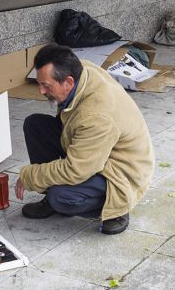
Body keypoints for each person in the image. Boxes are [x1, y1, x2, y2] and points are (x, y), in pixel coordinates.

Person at [14, 43, 154, 234]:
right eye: (39, 84)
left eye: (46, 86)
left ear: (68, 82)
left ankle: (116, 209)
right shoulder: (82, 69)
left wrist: (30, 175)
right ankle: (51, 194)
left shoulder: (97, 116)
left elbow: (75, 170)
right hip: (95, 148)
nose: (41, 91)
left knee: (60, 197)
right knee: (35, 125)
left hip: (120, 172)